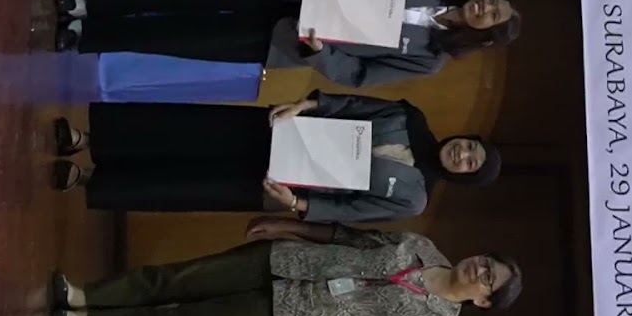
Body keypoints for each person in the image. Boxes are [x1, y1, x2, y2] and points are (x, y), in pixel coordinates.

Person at [47, 220, 521, 316]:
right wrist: (288, 225)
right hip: (286, 262)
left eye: (488, 280)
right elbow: (349, 236)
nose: (478, 269)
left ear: (483, 301)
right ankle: (84, 296)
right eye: (486, 262)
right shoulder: (422, 246)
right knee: (174, 279)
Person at [56, 0, 521, 88]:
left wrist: (320, 53)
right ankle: (88, 2)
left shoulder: (429, 59)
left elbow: (359, 74)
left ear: (483, 35)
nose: (484, 7)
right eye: (491, 1)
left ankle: (88, 35)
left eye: (491, 16)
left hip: (287, 40)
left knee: (181, 36)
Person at [46, 94, 500, 214]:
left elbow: (356, 210)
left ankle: (88, 180)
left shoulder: (415, 198)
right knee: (183, 132)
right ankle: (87, 139)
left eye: (469, 163)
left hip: (283, 184)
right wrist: (305, 105)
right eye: (469, 146)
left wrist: (297, 204)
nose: (461, 154)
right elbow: (349, 104)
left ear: (463, 176)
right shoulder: (409, 117)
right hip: (282, 130)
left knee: (185, 184)